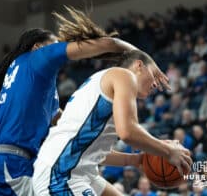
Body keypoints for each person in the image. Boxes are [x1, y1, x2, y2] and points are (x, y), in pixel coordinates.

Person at [0, 7, 170, 196]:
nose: (59, 46)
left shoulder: (32, 84)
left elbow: (72, 138)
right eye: (54, 43)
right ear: (38, 46)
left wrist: (131, 159)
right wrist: (144, 58)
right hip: (10, 167)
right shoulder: (36, 58)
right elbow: (108, 44)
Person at [32, 50, 192, 196]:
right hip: (61, 174)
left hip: (74, 169)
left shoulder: (101, 85)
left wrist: (134, 160)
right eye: (155, 73)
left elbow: (90, 150)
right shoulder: (124, 76)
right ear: (139, 65)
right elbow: (128, 132)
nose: (156, 83)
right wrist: (168, 151)